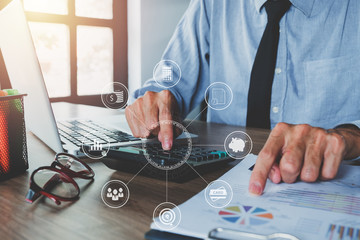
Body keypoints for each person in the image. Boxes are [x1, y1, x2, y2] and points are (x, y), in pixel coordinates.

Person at [125, 0, 360, 195]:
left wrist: (347, 137)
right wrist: (155, 105)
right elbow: (168, 84)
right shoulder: (211, 4)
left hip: (325, 191)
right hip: (218, 186)